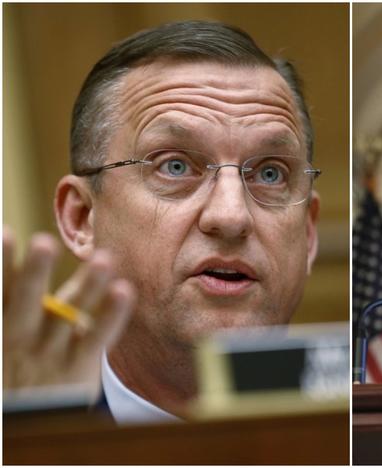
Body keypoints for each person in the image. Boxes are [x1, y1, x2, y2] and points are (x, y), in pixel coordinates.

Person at [3, 20, 321, 424]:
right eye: (174, 166)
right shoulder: (26, 440)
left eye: (270, 173)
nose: (230, 216)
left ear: (309, 235)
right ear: (82, 218)